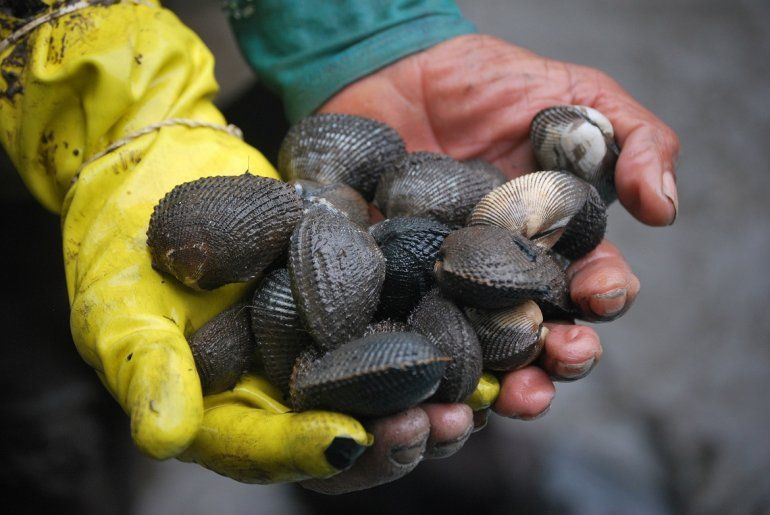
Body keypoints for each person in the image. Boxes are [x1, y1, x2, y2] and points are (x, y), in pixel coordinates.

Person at [0, 0, 678, 497]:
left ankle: (470, 493)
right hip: (34, 144)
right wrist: (79, 76)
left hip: (236, 69)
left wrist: (359, 27)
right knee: (59, 422)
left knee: (411, 419)